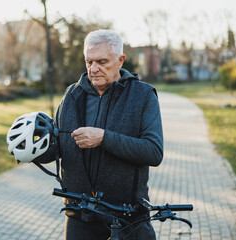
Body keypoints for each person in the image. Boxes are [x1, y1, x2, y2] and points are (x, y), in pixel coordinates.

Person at [35, 29, 163, 240]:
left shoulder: (143, 95)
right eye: (89, 62)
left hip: (128, 217)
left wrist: (104, 138)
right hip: (79, 215)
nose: (94, 69)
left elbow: (154, 152)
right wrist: (30, 149)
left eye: (102, 62)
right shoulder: (71, 95)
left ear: (120, 60)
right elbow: (59, 147)